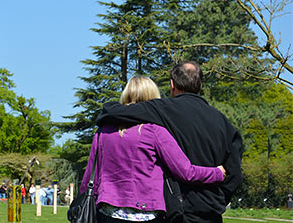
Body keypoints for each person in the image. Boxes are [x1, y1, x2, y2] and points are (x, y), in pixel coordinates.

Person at [96, 62, 243, 223]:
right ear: (200, 85)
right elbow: (234, 172)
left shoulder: (162, 110)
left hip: (178, 209)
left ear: (172, 84)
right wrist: (220, 199)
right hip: (211, 210)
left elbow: (112, 112)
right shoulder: (222, 122)